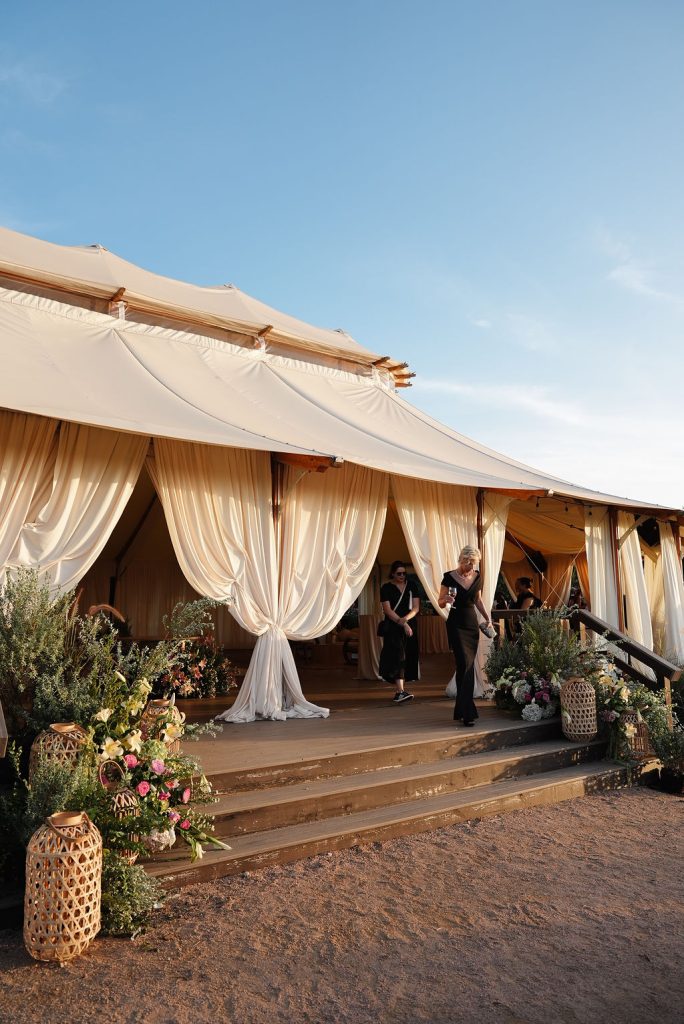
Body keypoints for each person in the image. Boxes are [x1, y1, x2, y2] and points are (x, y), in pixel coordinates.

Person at [438, 545, 493, 727]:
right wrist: (446, 600)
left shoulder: (477, 577)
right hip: (455, 624)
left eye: (473, 563)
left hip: (471, 625)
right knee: (464, 663)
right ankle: (467, 712)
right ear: (461, 560)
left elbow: (477, 600)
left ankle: (462, 710)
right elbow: (440, 601)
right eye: (467, 563)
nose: (470, 567)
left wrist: (487, 618)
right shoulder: (448, 577)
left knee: (466, 667)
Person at [379, 560, 420, 704]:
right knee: (397, 655)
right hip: (393, 626)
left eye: (404, 573)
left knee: (407, 655)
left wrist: (406, 620)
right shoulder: (386, 588)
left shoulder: (412, 585)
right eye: (399, 573)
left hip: (409, 624)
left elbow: (416, 608)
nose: (402, 576)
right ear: (392, 574)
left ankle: (400, 691)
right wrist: (403, 623)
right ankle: (400, 691)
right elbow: (387, 610)